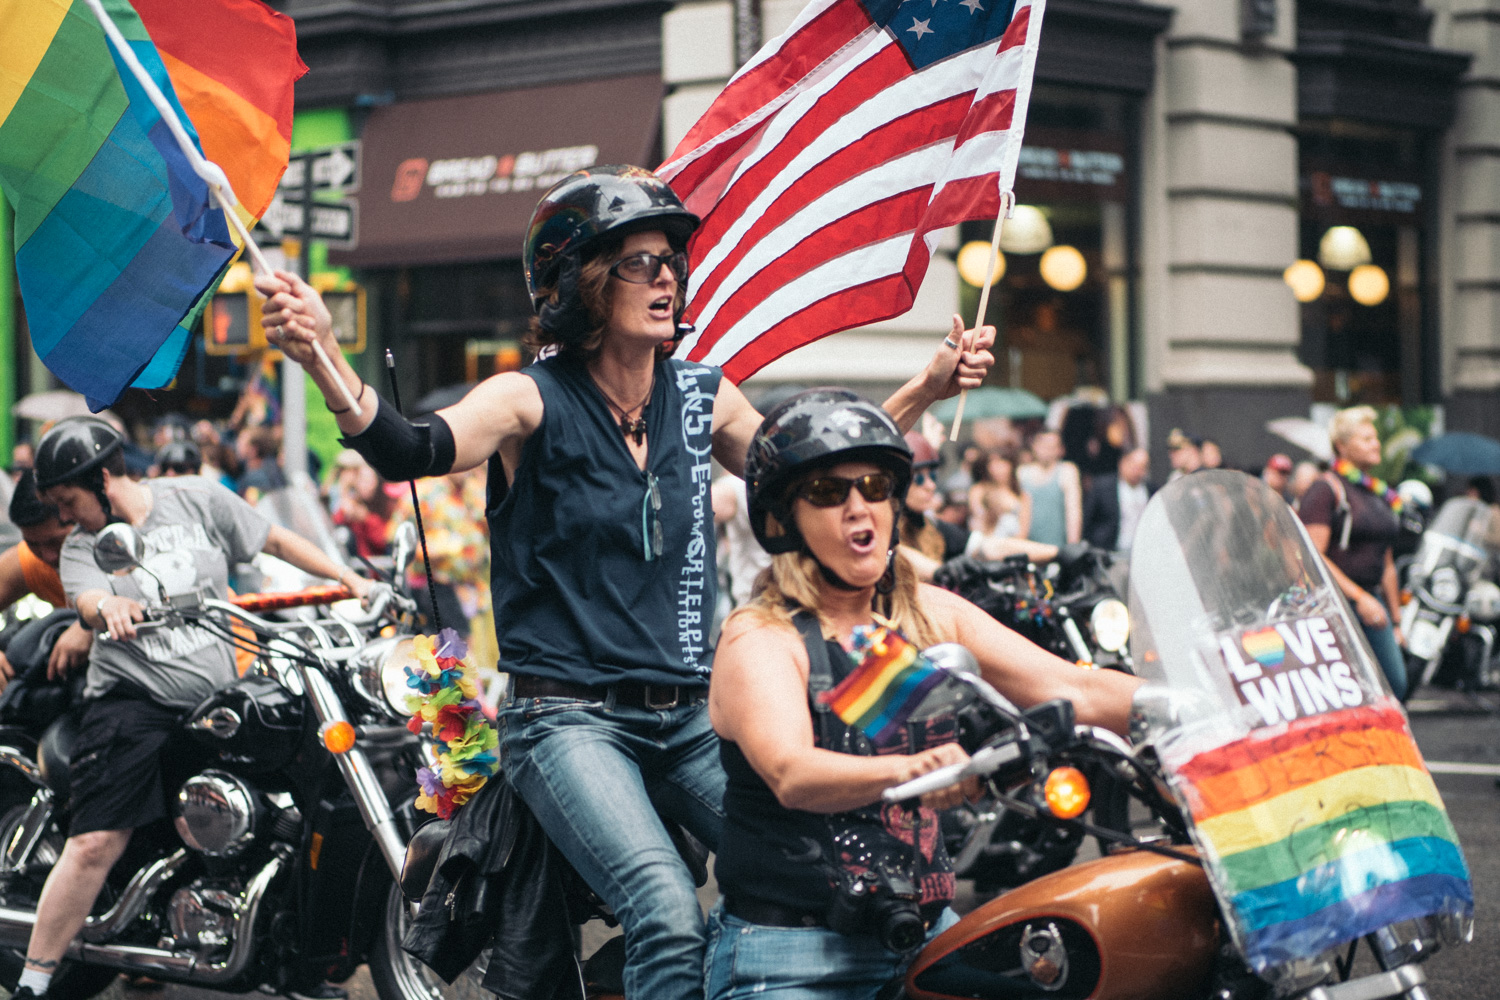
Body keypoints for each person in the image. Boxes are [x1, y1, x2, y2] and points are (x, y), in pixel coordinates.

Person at [253, 165, 995, 999]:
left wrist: (929, 386)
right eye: (641, 262)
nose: (667, 277)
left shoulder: (702, 397)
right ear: (585, 285)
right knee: (668, 908)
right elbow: (410, 447)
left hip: (687, 712)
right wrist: (319, 351)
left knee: (836, 856)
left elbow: (811, 468)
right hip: (566, 718)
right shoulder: (526, 399)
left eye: (671, 261)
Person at [705, 391, 1139, 999]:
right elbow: (791, 771)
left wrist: (1203, 701)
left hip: (925, 936)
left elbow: (1077, 686)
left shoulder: (923, 614)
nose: (860, 508)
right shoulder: (761, 636)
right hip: (793, 957)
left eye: (875, 486)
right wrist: (914, 769)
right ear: (784, 518)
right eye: (830, 493)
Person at [13, 416, 376, 1000]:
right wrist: (106, 608)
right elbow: (85, 594)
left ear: (103, 479)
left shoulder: (198, 498)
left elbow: (273, 540)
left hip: (211, 700)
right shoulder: (85, 544)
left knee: (297, 796)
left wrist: (347, 578)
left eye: (68, 500)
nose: (64, 516)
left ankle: (293, 962)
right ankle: (34, 979)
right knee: (95, 843)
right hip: (134, 702)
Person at [1296, 406, 1406, 698]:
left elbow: (1387, 562)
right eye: (1366, 438)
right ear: (1342, 446)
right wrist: (1359, 598)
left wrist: (1396, 620)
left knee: (1393, 685)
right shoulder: (1326, 488)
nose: (1376, 443)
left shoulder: (1380, 493)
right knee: (1351, 691)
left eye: (1376, 437)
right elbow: (1311, 554)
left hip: (1373, 601)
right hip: (1336, 605)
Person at [0, 472, 93, 687]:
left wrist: (90, 627)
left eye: (55, 542)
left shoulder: (117, 545)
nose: (47, 556)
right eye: (33, 543)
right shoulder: (31, 560)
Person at [896, 432, 967, 581]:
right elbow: (897, 554)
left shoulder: (933, 526)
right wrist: (942, 571)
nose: (931, 485)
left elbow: (982, 544)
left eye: (933, 476)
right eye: (918, 478)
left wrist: (1029, 549)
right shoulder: (887, 532)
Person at [713, 475, 772, 607]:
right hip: (754, 606)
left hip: (759, 605)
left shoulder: (742, 485)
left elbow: (696, 505)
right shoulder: (738, 486)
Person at [1082, 447, 1153, 552]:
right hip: (1109, 552)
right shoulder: (1102, 487)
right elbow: (1087, 520)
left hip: (1140, 552)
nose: (1137, 471)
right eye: (1134, 466)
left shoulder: (1151, 490)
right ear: (1123, 463)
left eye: (1142, 467)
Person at [965, 451, 1027, 555]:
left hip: (1012, 548)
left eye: (1002, 462)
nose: (997, 467)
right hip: (985, 547)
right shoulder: (978, 490)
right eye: (992, 463)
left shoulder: (1021, 495)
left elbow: (1023, 531)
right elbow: (977, 521)